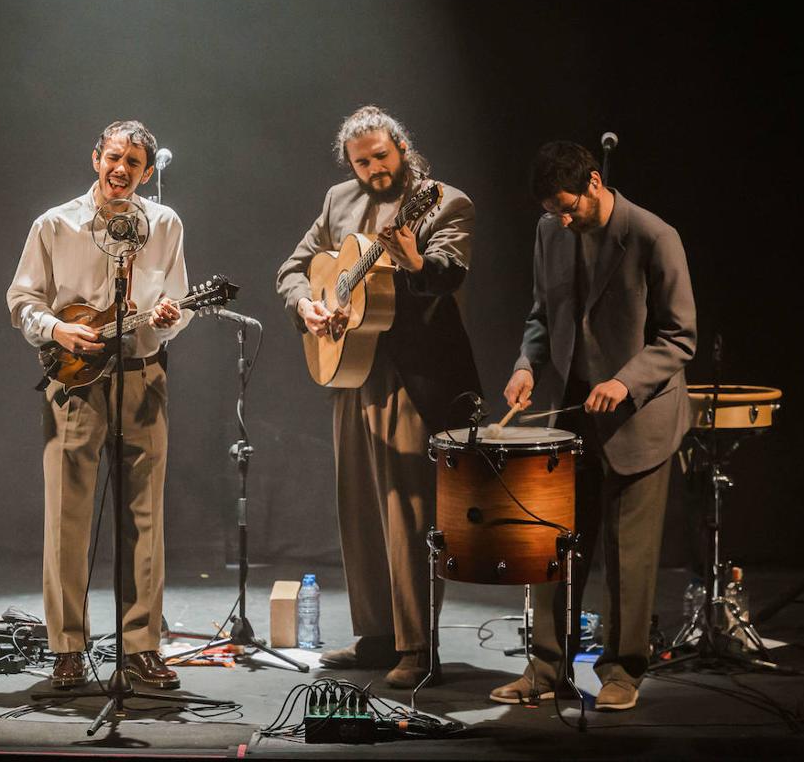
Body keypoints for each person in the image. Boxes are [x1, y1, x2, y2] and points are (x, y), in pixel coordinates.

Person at [276, 105, 481, 688]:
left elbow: (448, 272)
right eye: (362, 162)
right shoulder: (338, 200)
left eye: (382, 157)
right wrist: (308, 305)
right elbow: (293, 269)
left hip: (411, 376)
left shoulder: (444, 201)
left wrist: (415, 258)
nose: (374, 170)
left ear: (403, 149)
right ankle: (375, 636)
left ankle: (418, 646)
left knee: (408, 513)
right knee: (360, 508)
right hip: (351, 370)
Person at [490, 140, 696, 711]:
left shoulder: (655, 236)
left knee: (628, 557)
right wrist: (525, 365)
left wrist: (626, 381)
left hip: (639, 417)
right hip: (572, 415)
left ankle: (622, 671)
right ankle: (547, 666)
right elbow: (541, 313)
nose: (560, 218)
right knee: (553, 546)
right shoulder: (548, 231)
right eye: (550, 210)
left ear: (595, 183)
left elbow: (680, 336)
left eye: (567, 206)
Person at [7, 120, 189, 691]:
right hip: (77, 384)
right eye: (114, 158)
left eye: (134, 163)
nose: (121, 170)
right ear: (95, 158)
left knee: (146, 518)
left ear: (147, 171)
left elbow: (177, 304)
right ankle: (66, 646)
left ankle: (141, 645)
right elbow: (21, 300)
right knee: (67, 516)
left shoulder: (164, 224)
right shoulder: (54, 224)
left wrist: (167, 319)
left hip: (142, 378)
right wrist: (59, 331)